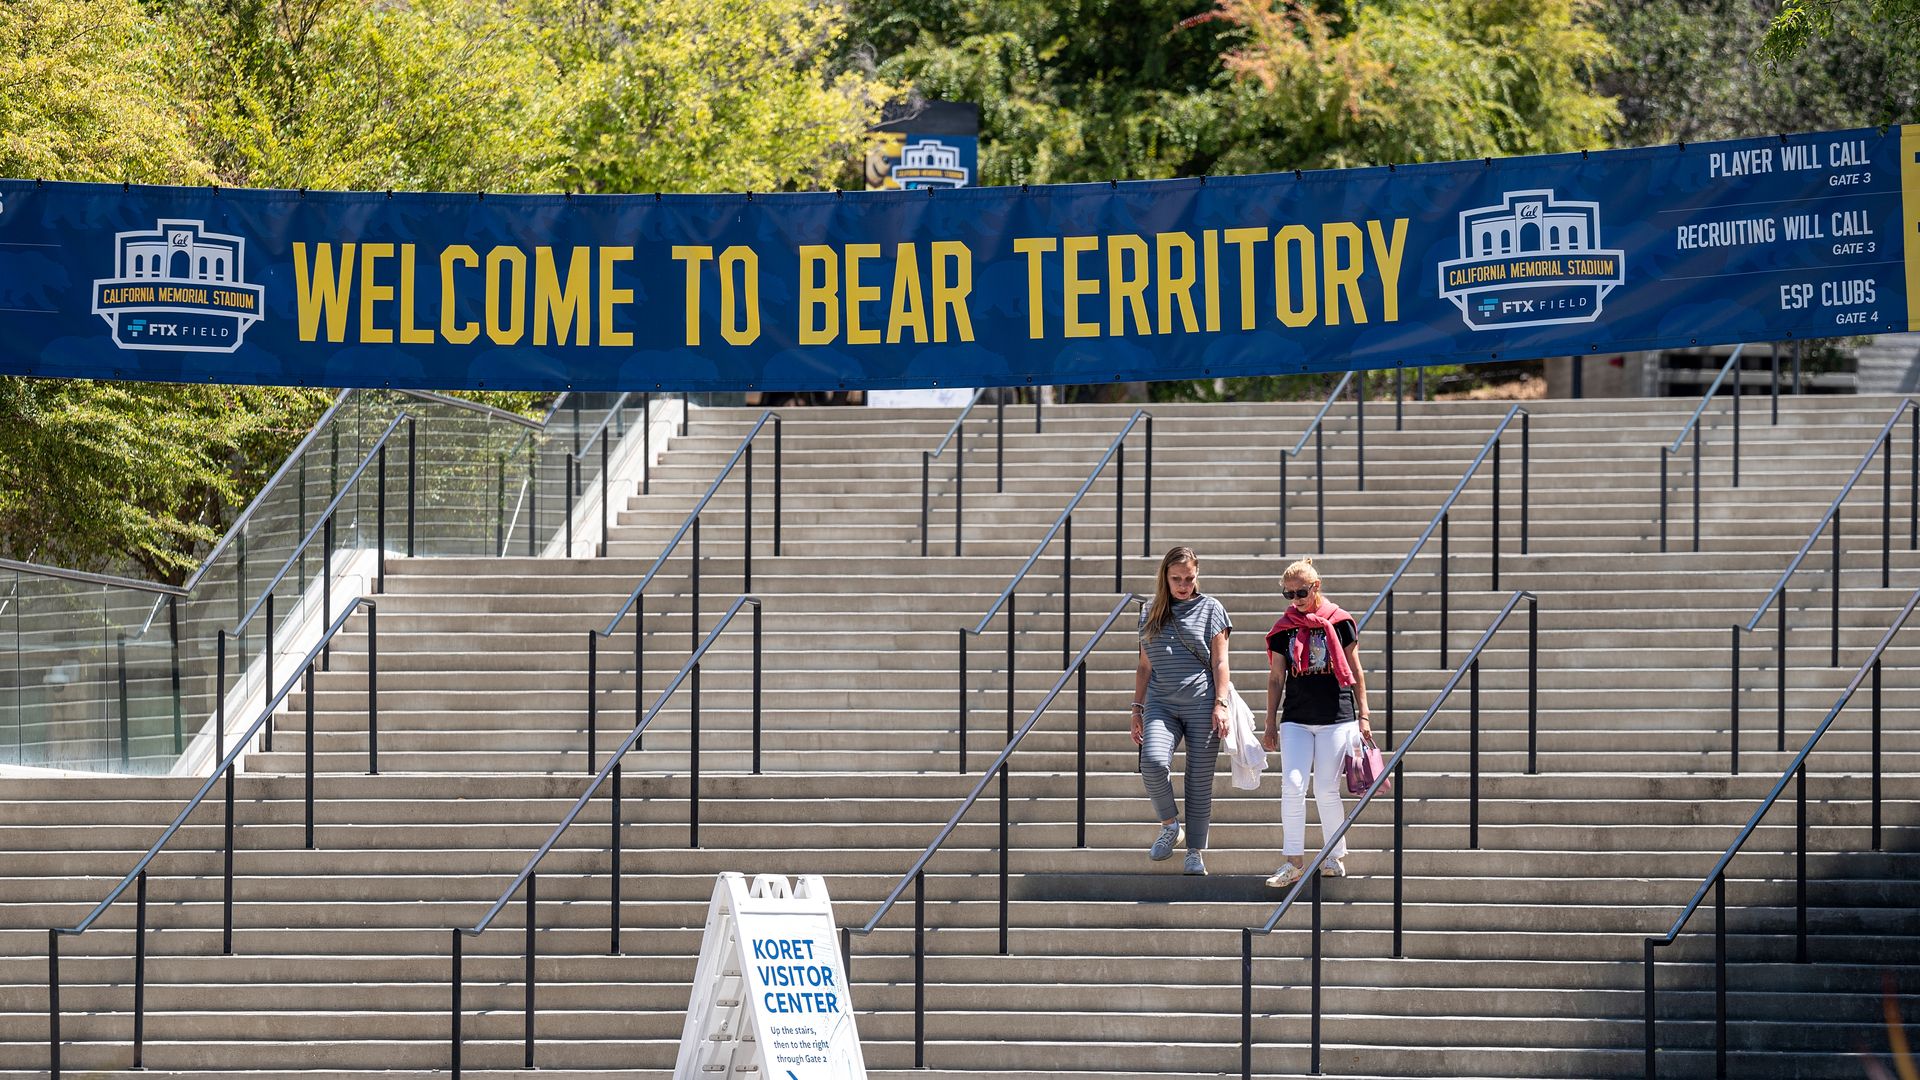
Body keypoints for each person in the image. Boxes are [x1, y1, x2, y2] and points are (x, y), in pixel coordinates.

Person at [1262, 559, 1373, 888]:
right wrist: (1269, 722)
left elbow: (1356, 670)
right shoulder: (1285, 627)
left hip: (1336, 717)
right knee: (1293, 786)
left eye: (1301, 591)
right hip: (1296, 717)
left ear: (1316, 586)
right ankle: (1293, 861)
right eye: (1288, 593)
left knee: (1326, 788)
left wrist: (1364, 714)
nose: (1295, 598)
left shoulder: (1340, 622)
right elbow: (1275, 678)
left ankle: (1334, 856)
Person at [1131, 546, 1232, 876]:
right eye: (1177, 579)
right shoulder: (1149, 612)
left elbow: (1219, 661)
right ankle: (1170, 825)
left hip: (1202, 701)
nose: (1184, 585)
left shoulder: (1211, 608)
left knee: (1199, 780)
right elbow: (1144, 666)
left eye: (1189, 578)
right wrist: (1137, 708)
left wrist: (1221, 703)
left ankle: (1195, 851)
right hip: (1162, 702)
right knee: (1153, 761)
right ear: (1165, 577)